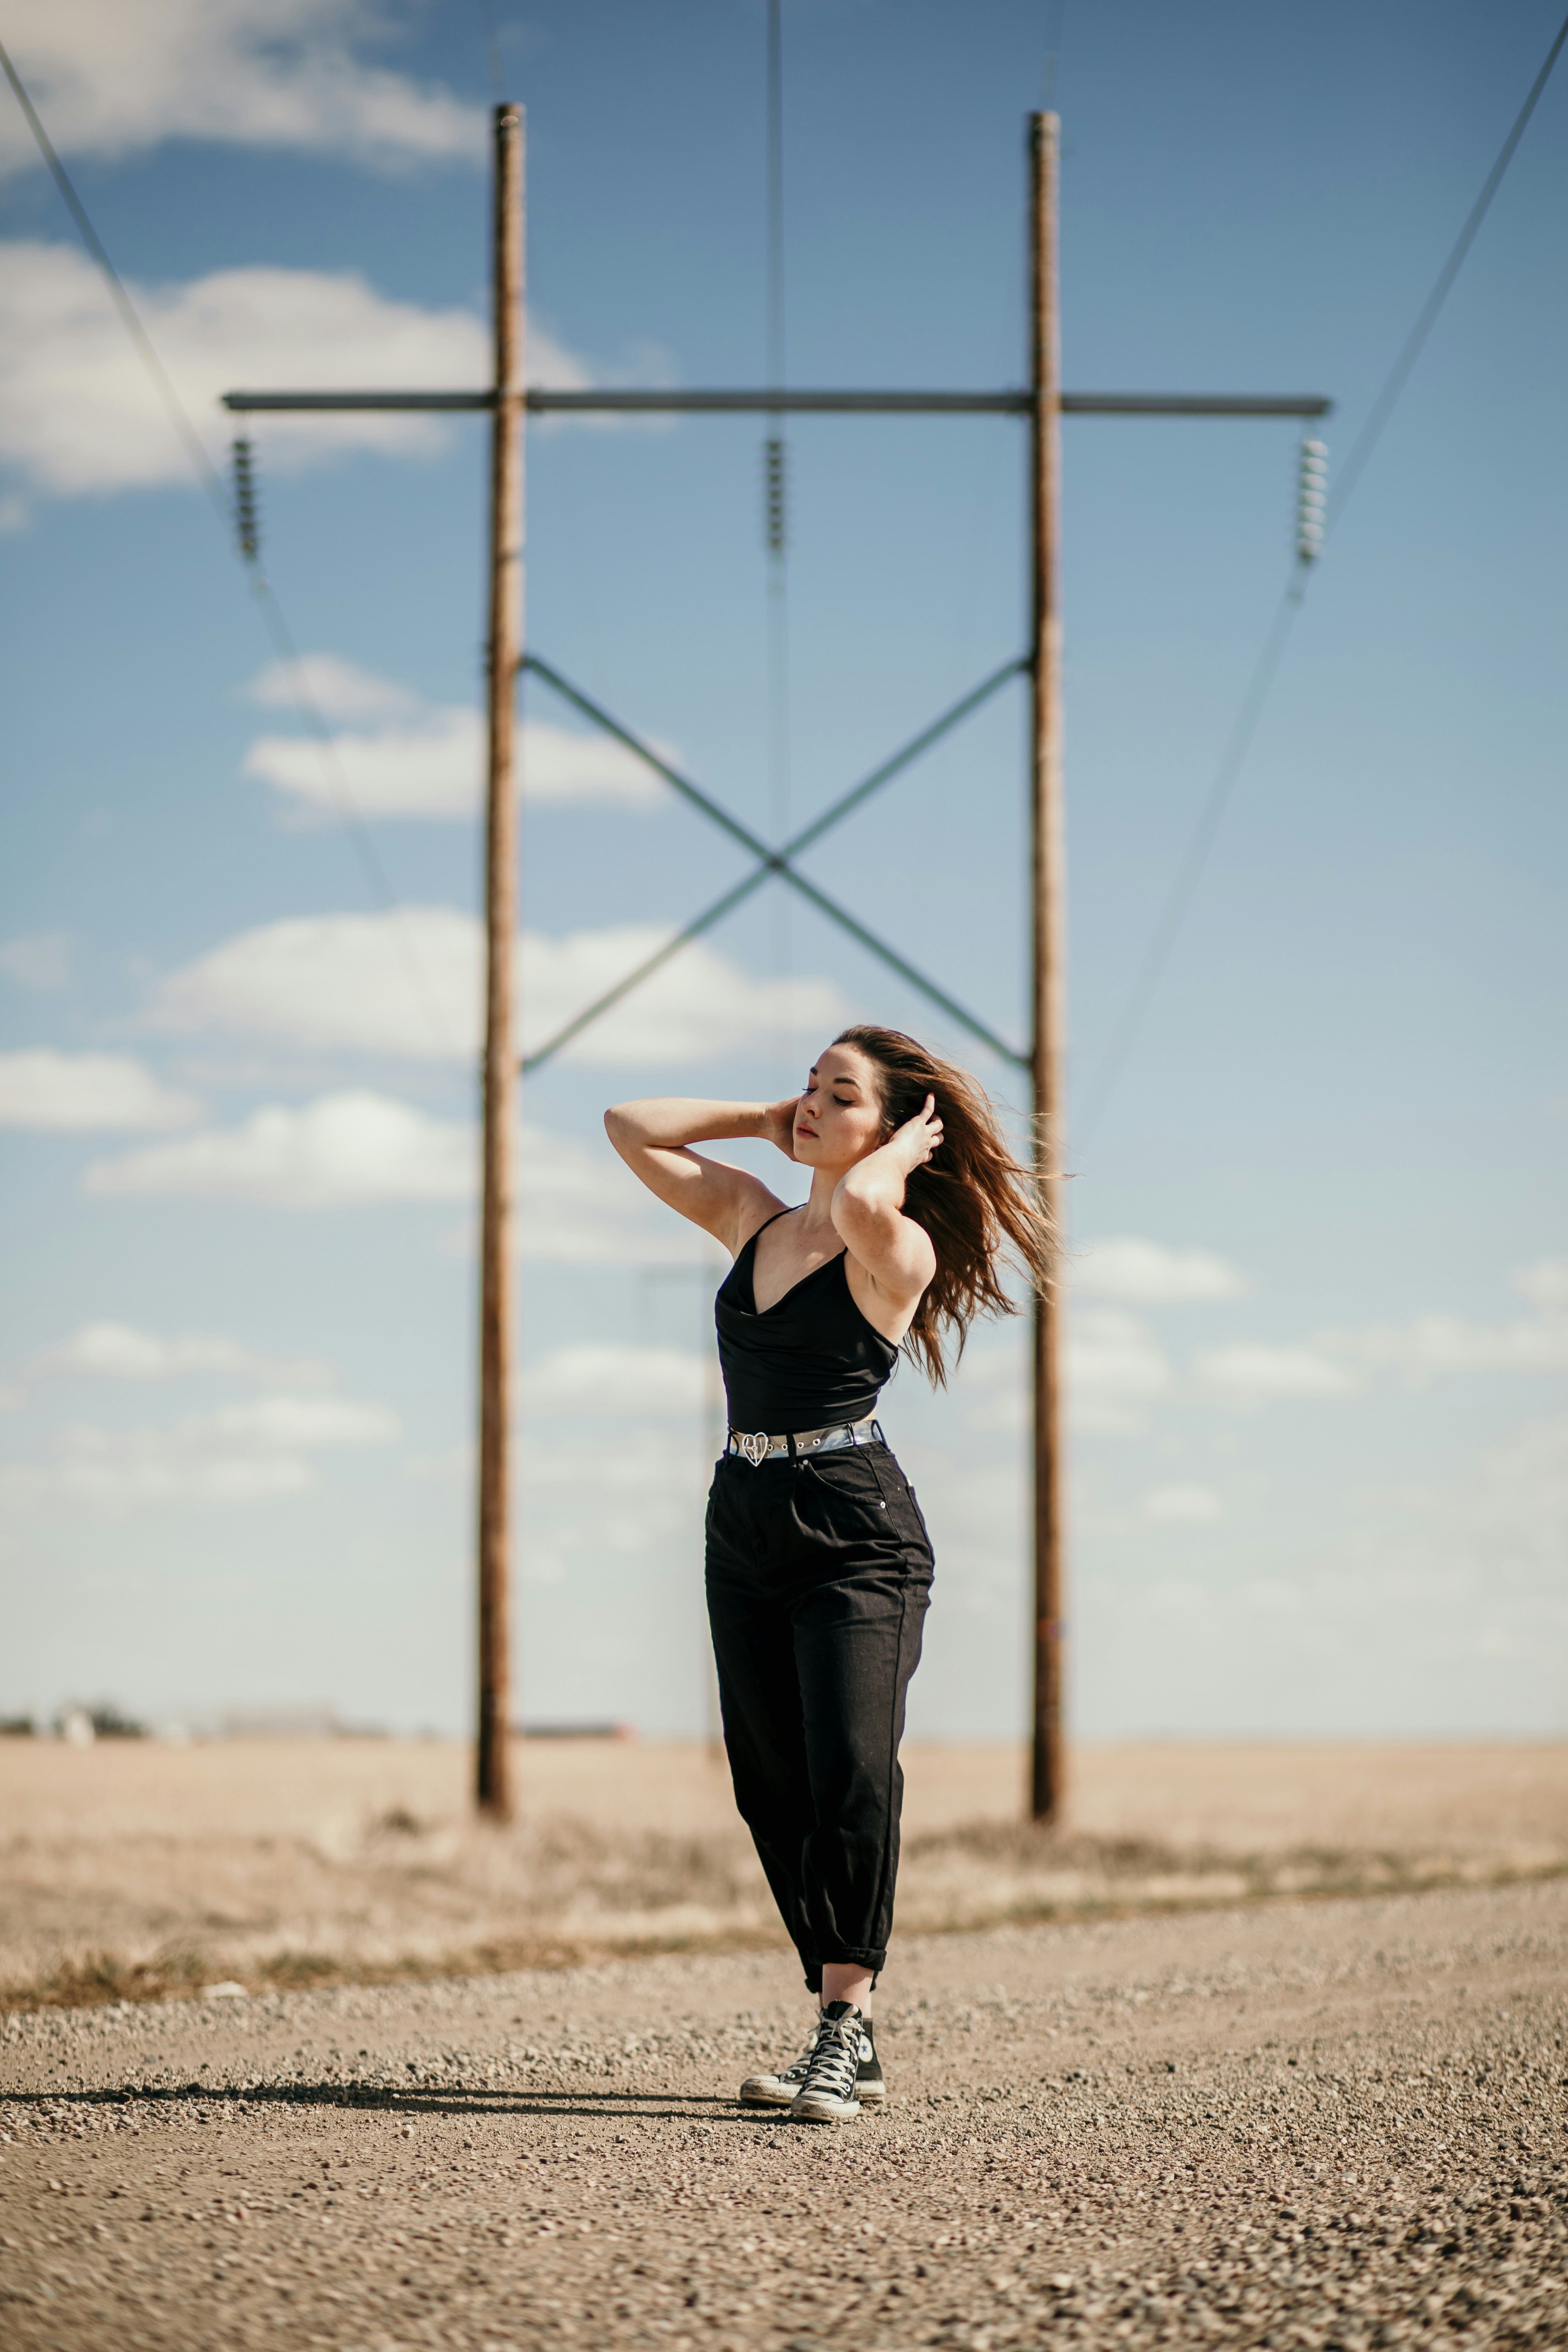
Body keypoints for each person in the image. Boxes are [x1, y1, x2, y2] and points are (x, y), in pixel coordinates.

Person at [605, 1024, 1054, 2123]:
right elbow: (629, 1127)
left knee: (852, 1766)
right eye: (809, 1085)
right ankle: (844, 2024)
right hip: (745, 1518)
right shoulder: (752, 1218)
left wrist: (889, 1162)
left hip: (856, 1529)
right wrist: (764, 1123)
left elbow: (857, 1211)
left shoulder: (894, 1246)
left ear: (894, 1133)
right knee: (773, 1785)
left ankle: (840, 2026)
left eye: (838, 1095)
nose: (810, 1103)